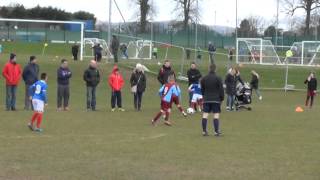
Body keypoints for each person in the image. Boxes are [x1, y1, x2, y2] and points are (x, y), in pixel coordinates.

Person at [200, 64, 224, 136]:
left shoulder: (204, 78)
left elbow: (202, 89)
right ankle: (216, 132)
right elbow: (221, 89)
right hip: (216, 99)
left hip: (206, 99)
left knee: (205, 115)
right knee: (216, 115)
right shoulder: (218, 78)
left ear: (209, 69)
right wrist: (221, 98)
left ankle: (204, 131)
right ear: (215, 69)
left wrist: (204, 96)